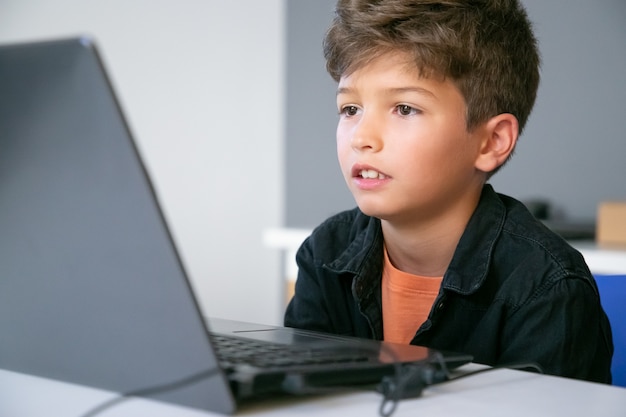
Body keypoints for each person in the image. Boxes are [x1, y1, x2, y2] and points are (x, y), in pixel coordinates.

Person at [284, 0, 613, 383]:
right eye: (350, 108)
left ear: (491, 141)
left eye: (405, 108)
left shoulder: (547, 288)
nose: (362, 137)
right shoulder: (325, 253)